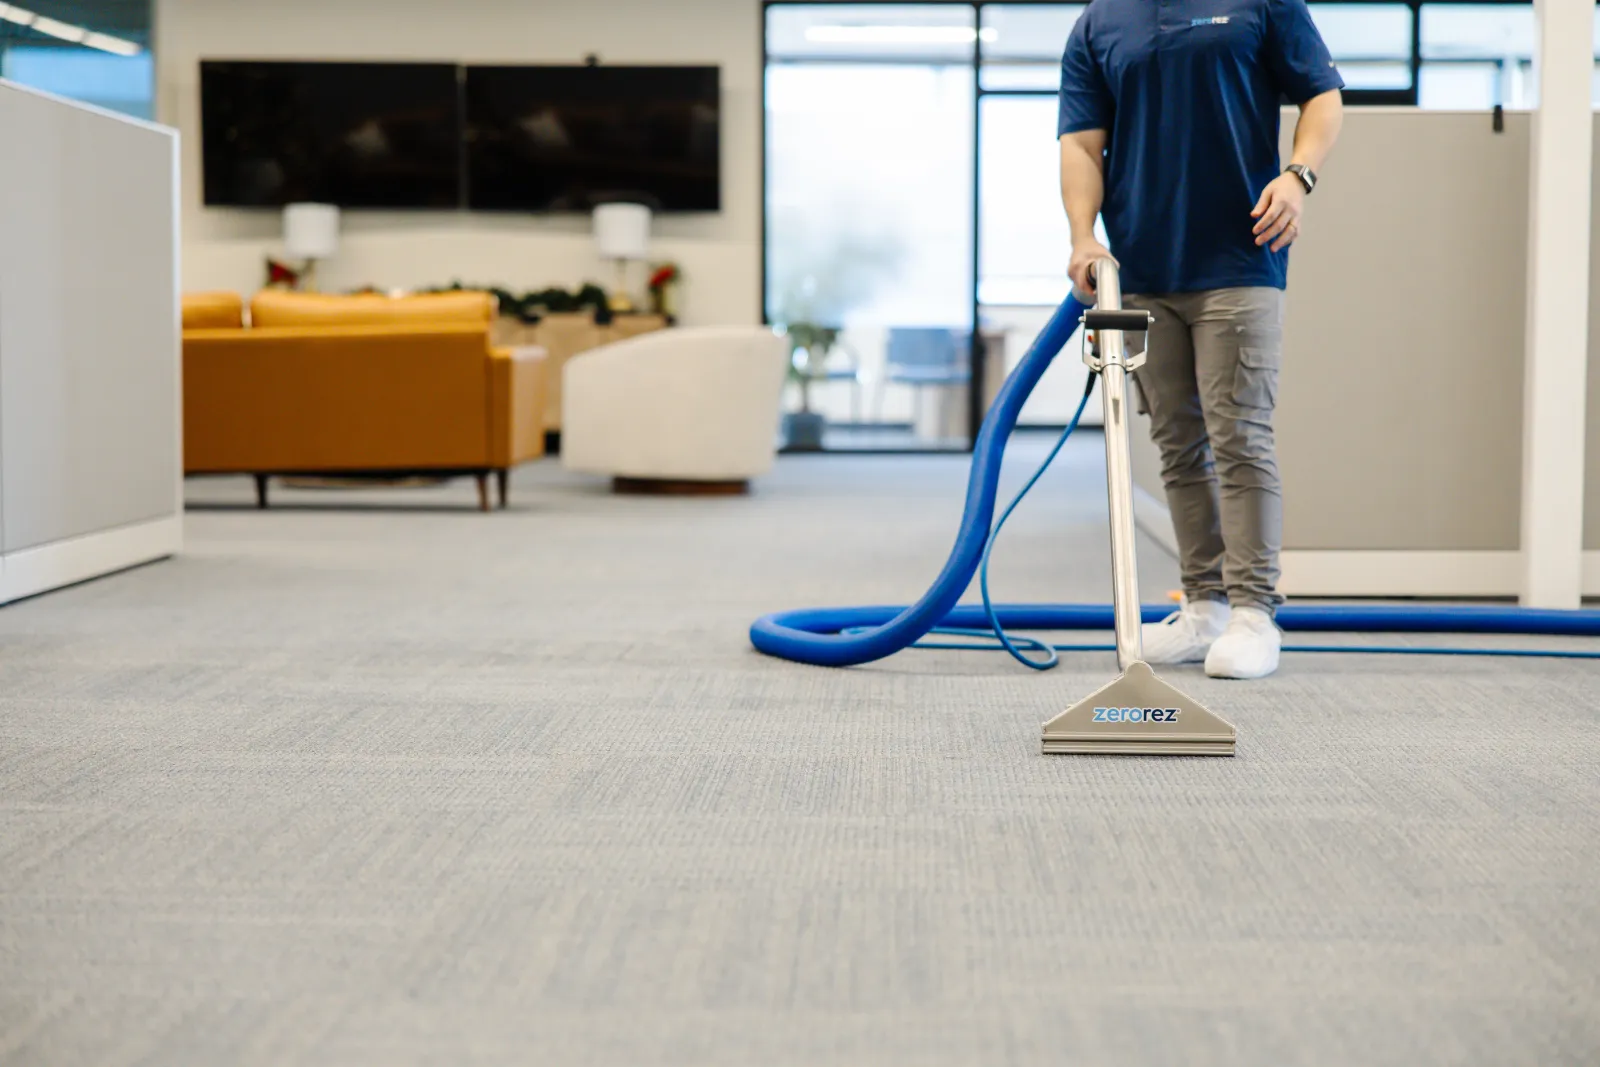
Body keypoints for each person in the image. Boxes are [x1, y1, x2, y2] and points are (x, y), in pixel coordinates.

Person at [1057, 0, 1344, 679]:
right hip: (1141, 269)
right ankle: (1205, 608)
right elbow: (1080, 142)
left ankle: (1253, 614)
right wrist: (1081, 238)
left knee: (1239, 434)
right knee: (1178, 445)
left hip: (1240, 256)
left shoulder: (1263, 5)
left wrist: (1297, 177)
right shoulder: (1100, 22)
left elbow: (1323, 95)